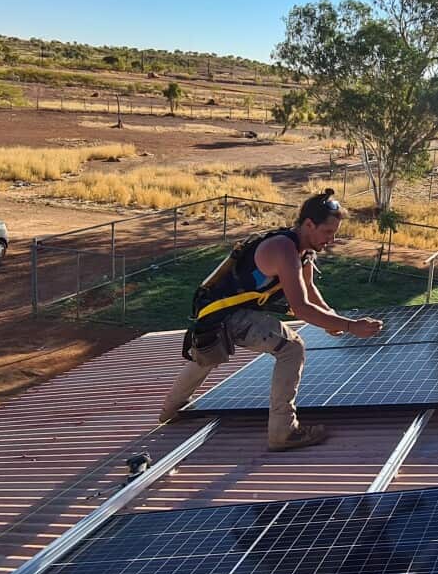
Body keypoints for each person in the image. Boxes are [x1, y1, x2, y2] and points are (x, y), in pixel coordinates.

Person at [159, 189, 383, 451]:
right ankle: (283, 432)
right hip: (223, 314)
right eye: (327, 232)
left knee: (207, 356)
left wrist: (331, 318)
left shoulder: (304, 251)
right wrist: (349, 325)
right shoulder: (282, 249)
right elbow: (300, 307)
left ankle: (170, 410)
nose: (331, 239)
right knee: (291, 347)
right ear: (309, 224)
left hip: (223, 313)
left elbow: (309, 290)